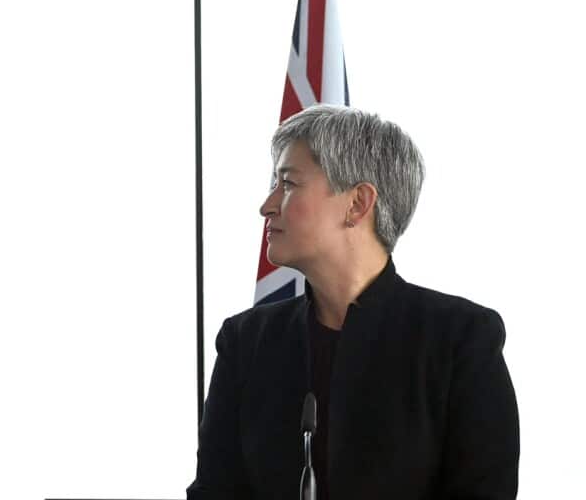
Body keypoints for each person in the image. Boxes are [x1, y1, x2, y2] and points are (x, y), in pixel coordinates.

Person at [187, 104, 518, 500]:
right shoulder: (245, 342)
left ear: (358, 203)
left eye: (288, 184)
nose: (268, 205)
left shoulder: (461, 340)